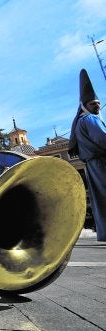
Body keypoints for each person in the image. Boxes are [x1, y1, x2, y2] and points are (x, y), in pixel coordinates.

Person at [68, 68, 106, 242]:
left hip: (91, 165)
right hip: (102, 162)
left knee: (100, 198)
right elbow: (102, 138)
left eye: (98, 103)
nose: (97, 106)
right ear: (84, 105)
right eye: (93, 104)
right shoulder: (91, 120)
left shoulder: (79, 122)